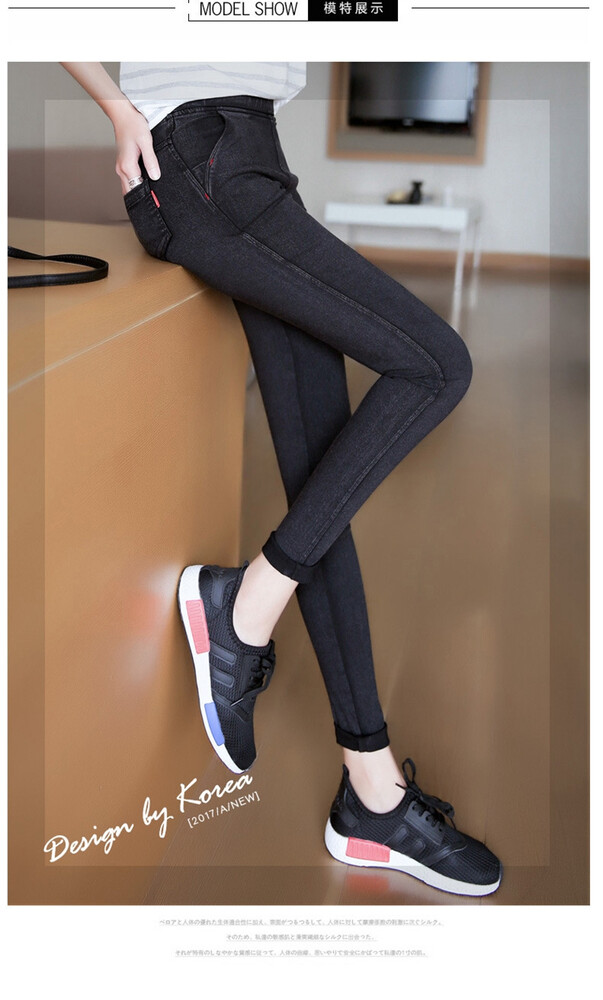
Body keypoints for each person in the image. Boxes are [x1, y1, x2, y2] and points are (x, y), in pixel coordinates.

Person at [61, 62, 502, 897]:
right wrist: (118, 112)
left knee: (319, 491)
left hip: (246, 155)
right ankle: (244, 607)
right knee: (437, 366)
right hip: (200, 160)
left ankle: (371, 792)